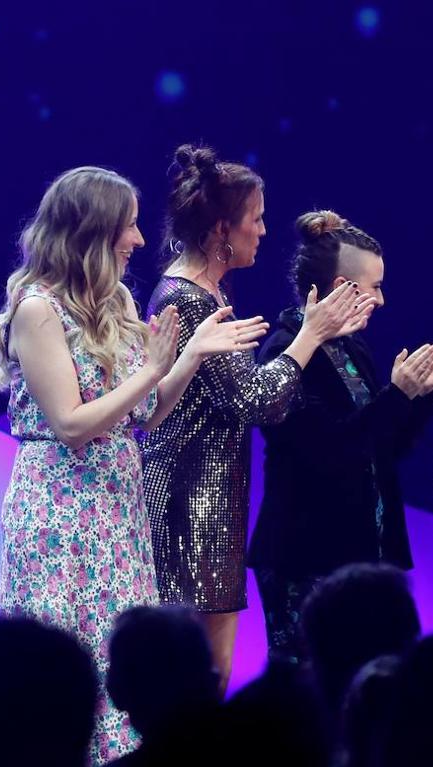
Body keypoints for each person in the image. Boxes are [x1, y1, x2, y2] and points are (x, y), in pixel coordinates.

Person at [0, 166, 260, 761]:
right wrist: (154, 370)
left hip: (117, 510)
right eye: (128, 227)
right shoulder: (38, 309)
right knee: (65, 654)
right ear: (93, 230)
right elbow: (72, 423)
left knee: (117, 650)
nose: (137, 240)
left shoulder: (120, 300)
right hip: (60, 510)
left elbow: (148, 412)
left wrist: (187, 357)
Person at [141, 145, 375, 689]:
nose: (264, 231)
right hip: (193, 497)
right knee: (201, 671)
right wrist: (308, 337)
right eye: (257, 219)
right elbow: (256, 401)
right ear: (223, 228)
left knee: (205, 667)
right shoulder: (190, 298)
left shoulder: (203, 290)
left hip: (206, 493)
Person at [247, 210, 433, 660]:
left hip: (365, 552)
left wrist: (419, 395)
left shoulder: (353, 349)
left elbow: (381, 451)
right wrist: (398, 395)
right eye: (374, 287)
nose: (382, 299)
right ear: (341, 290)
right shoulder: (284, 350)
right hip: (308, 558)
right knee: (312, 696)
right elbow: (328, 453)